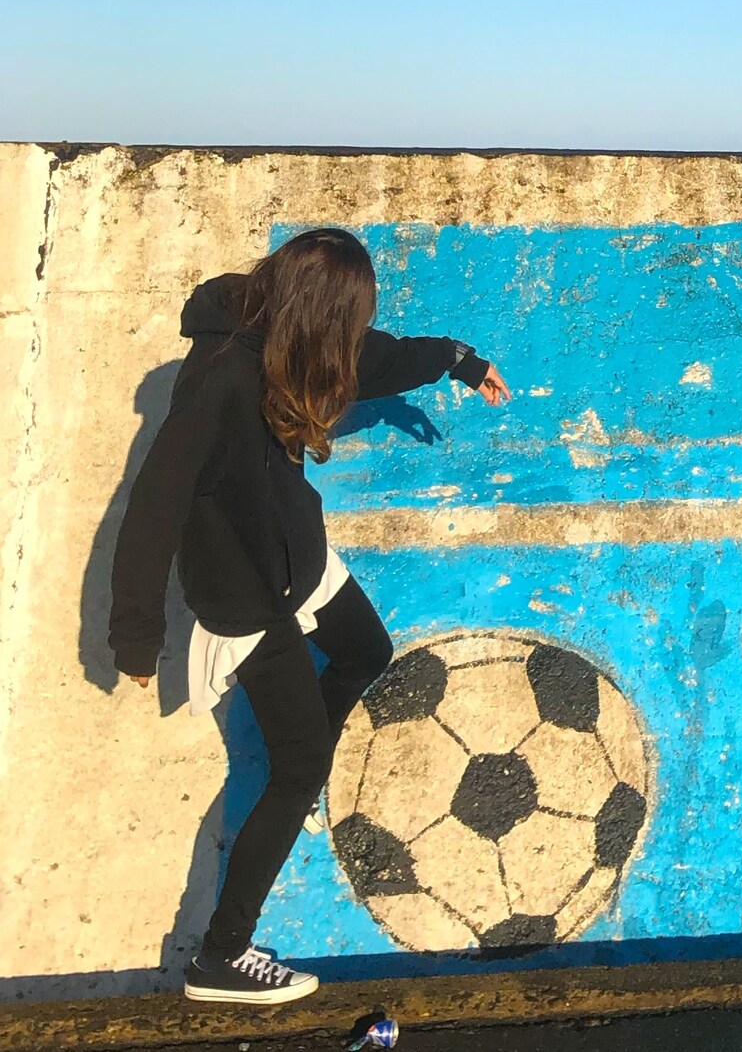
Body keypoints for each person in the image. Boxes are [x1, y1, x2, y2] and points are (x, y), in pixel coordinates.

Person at [108, 227, 511, 1005]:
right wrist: (136, 637)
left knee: (366, 651)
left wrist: (458, 361)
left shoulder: (298, 337)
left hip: (297, 553)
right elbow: (155, 506)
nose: (357, 334)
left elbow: (377, 359)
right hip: (246, 593)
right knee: (295, 772)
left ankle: (307, 767)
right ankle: (221, 957)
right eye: (351, 318)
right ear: (320, 311)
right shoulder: (219, 381)